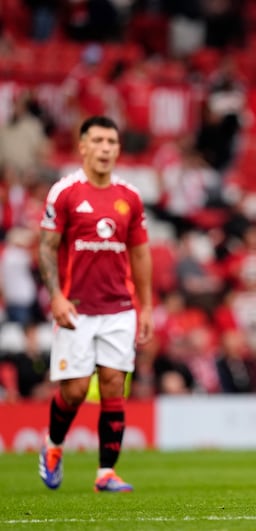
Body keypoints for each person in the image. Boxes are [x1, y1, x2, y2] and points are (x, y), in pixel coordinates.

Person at [38, 116, 153, 492]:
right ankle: (54, 446)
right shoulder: (65, 192)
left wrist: (147, 306)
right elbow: (47, 247)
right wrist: (55, 295)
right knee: (74, 390)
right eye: (99, 140)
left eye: (112, 142)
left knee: (113, 384)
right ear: (82, 145)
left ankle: (106, 473)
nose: (106, 148)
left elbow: (139, 254)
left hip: (119, 307)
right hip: (76, 308)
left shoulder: (130, 197)